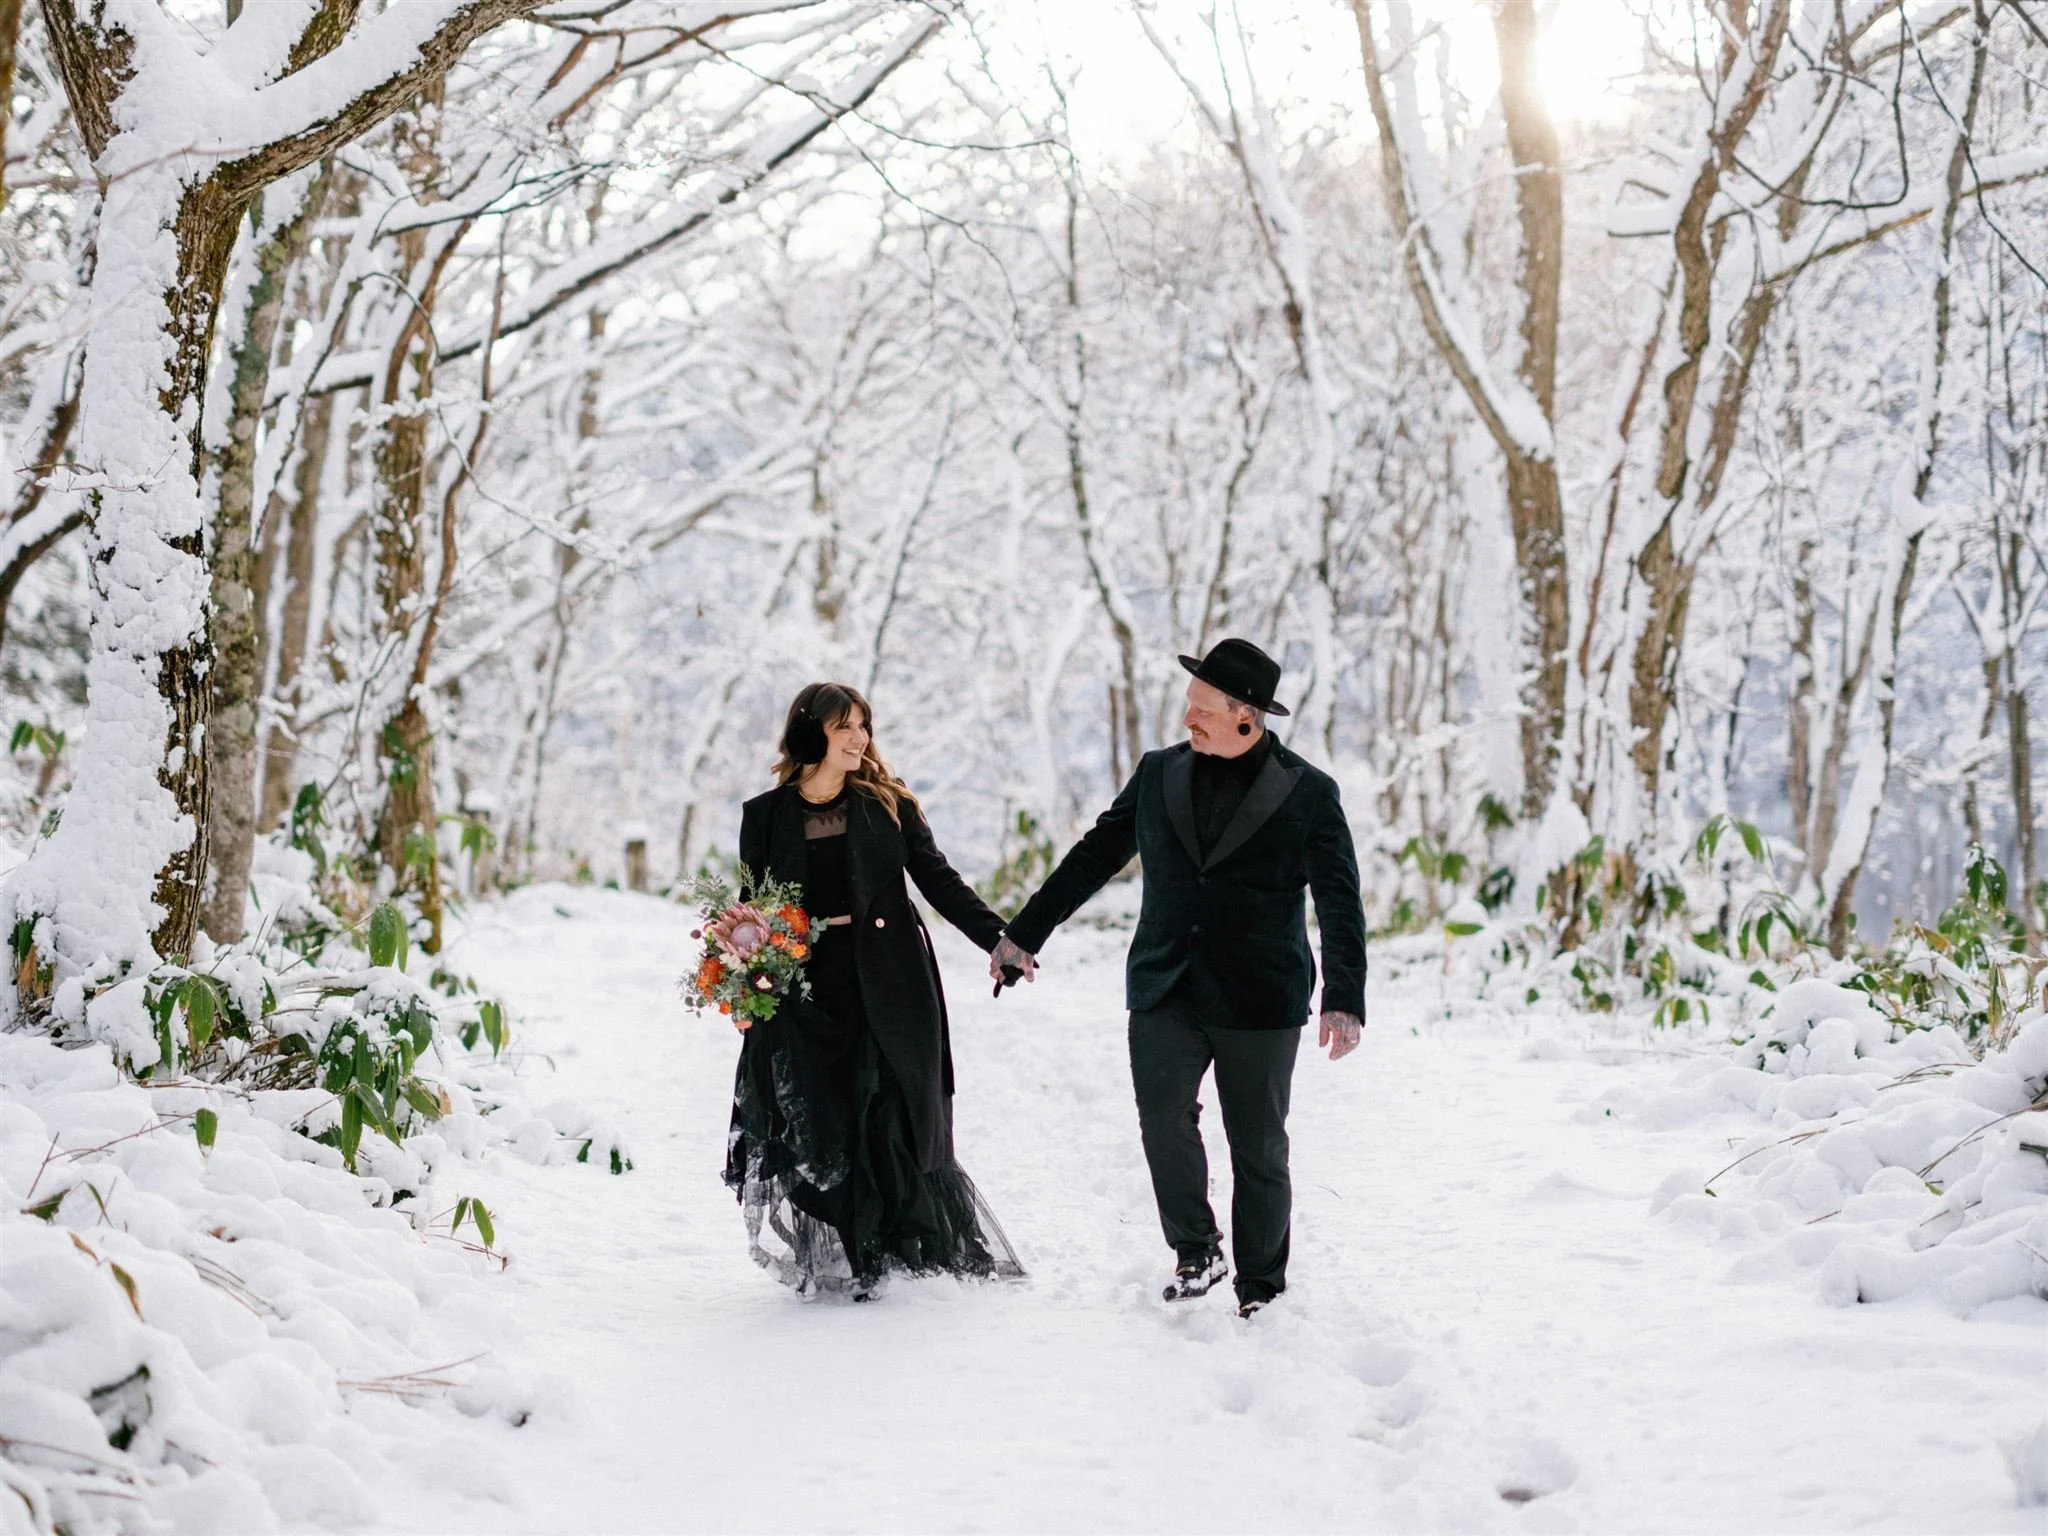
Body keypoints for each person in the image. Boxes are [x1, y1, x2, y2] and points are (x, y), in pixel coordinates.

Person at [990, 638, 1366, 1318]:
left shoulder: (1307, 791)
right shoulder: (1159, 772)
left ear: (1247, 716)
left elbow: (1339, 899)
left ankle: (1261, 1286)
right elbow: (1097, 852)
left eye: (1202, 710)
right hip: (1166, 983)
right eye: (1188, 705)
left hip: (1260, 996)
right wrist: (1024, 934)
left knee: (1258, 1146)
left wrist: (1344, 997)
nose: (1187, 719)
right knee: (1163, 1120)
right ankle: (1197, 1250)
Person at [724, 681, 1023, 1298]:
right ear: (812, 735)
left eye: (864, 725)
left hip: (890, 976)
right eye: (844, 728)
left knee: (889, 1104)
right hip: (809, 987)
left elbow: (939, 880)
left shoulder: (889, 805)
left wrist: (999, 940)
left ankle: (890, 1253)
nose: (859, 738)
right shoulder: (766, 815)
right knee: (825, 1110)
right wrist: (739, 967)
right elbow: (754, 907)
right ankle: (855, 1250)